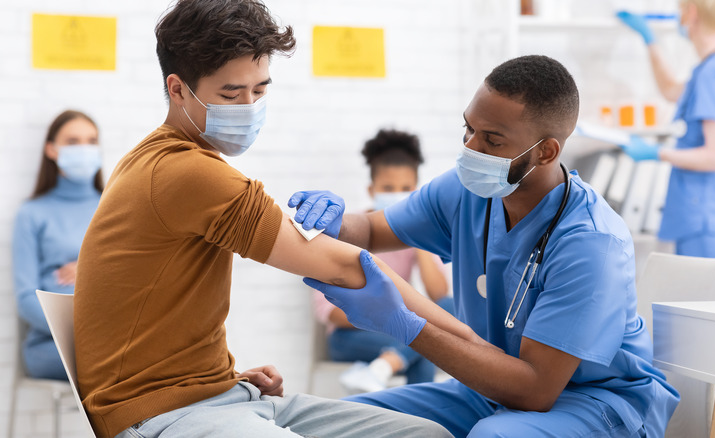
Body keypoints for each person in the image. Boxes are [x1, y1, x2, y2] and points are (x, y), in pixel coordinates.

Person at [71, 1, 474, 438]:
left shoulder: (161, 159)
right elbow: (343, 265)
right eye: (230, 94)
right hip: (159, 414)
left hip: (221, 395)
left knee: (427, 434)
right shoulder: (186, 172)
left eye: (259, 91)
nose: (247, 107)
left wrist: (222, 377)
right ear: (178, 89)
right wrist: (475, 351)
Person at [294, 55, 680, 437]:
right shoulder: (466, 192)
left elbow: (535, 391)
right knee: (349, 420)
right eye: (469, 129)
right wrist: (334, 220)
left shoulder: (592, 243)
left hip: (596, 403)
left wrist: (406, 326)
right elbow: (372, 230)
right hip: (494, 392)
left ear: (546, 151)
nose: (471, 148)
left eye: (492, 140)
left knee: (496, 437)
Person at [617, 2, 715, 436]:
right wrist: (649, 41)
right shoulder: (710, 69)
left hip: (708, 222)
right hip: (702, 221)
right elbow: (672, 91)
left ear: (691, 13)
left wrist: (657, 152)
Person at [313, 129, 453, 394]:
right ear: (371, 189)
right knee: (423, 342)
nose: (397, 195)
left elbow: (440, 295)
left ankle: (382, 369)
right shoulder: (345, 231)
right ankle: (420, 427)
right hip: (349, 337)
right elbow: (328, 312)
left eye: (405, 190)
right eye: (388, 189)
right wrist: (388, 318)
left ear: (416, 192)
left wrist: (415, 235)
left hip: (395, 329)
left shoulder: (416, 234)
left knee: (450, 309)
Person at [12, 110, 103, 381]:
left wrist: (90, 268)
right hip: (51, 345)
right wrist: (83, 331)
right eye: (73, 141)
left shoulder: (115, 208)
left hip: (111, 338)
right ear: (51, 150)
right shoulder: (33, 213)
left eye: (91, 141)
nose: (84, 149)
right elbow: (26, 298)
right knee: (119, 363)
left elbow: (139, 277)